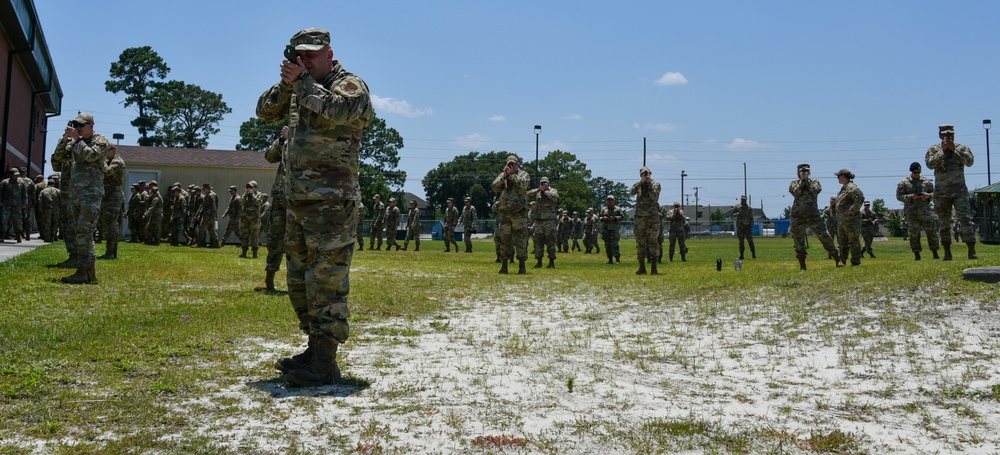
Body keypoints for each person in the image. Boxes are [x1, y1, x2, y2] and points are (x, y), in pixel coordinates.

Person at [257, 27, 374, 386]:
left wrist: (303, 83)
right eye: (298, 55)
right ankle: (313, 348)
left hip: (332, 205)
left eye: (311, 54)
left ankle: (326, 360)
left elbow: (339, 112)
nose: (304, 60)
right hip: (298, 202)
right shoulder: (297, 87)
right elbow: (264, 111)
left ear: (329, 53)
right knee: (299, 281)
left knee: (326, 282)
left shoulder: (350, 85)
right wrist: (287, 85)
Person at [54, 113, 108, 284]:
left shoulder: (100, 140)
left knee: (84, 232)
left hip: (91, 194)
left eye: (81, 125)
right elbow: (59, 158)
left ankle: (83, 272)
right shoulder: (73, 141)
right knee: (81, 233)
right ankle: (88, 273)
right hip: (75, 194)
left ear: (91, 125)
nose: (78, 128)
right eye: (76, 125)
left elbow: (91, 155)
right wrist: (64, 140)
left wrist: (76, 139)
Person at [925, 124, 977, 260]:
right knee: (944, 223)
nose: (948, 137)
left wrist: (955, 150)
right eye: (945, 135)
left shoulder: (962, 148)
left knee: (966, 219)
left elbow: (970, 162)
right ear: (940, 135)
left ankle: (971, 250)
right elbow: (930, 164)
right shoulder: (933, 149)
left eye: (951, 134)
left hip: (959, 191)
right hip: (942, 193)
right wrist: (942, 151)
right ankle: (947, 252)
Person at [788, 164, 843, 270]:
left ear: (809, 172)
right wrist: (802, 182)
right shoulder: (794, 183)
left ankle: (837, 259)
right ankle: (802, 266)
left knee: (824, 236)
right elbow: (796, 193)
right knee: (798, 240)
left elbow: (815, 191)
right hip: (797, 216)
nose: (804, 173)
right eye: (802, 171)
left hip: (813, 215)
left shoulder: (814, 182)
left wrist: (806, 181)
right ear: (798, 173)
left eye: (806, 171)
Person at [257, 127, 289, 292]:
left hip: (301, 199)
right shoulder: (286, 139)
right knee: (275, 238)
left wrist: (291, 140)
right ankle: (269, 281)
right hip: (281, 197)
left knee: (300, 242)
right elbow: (269, 157)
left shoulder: (313, 135)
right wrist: (282, 140)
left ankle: (301, 285)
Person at [491, 155, 529, 274]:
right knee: (505, 240)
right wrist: (504, 176)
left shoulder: (523, 174)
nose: (511, 166)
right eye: (509, 164)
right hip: (505, 213)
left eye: (513, 164)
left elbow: (523, 184)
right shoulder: (504, 175)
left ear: (518, 164)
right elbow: (494, 187)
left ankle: (522, 266)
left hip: (518, 213)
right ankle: (504, 266)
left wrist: (512, 175)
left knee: (520, 240)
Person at [897, 162, 940, 260]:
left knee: (932, 233)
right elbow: (899, 196)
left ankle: (935, 253)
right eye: (915, 172)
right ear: (911, 171)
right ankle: (917, 254)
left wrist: (929, 196)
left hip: (925, 212)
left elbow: (935, 194)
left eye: (919, 172)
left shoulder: (926, 182)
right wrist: (911, 197)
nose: (917, 174)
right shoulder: (904, 183)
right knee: (914, 234)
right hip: (912, 213)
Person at [630, 166, 661, 274]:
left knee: (653, 242)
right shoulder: (638, 185)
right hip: (640, 219)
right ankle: (642, 267)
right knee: (640, 243)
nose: (646, 175)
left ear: (651, 173)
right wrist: (641, 182)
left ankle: (654, 268)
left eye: (647, 173)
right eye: (643, 174)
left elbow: (655, 197)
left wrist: (648, 184)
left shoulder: (655, 184)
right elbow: (632, 192)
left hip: (652, 218)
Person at [98, 144, 126, 259]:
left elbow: (108, 172)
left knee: (111, 225)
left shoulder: (117, 161)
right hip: (109, 196)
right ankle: (112, 253)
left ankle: (110, 253)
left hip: (113, 197)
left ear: (113, 150)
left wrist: (102, 161)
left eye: (106, 151)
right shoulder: (112, 161)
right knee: (111, 225)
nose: (104, 154)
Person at [527, 176, 560, 268]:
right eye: (542, 183)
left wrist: (545, 191)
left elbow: (556, 199)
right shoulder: (538, 192)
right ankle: (539, 261)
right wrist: (538, 189)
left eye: (545, 183)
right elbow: (527, 194)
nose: (543, 184)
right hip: (538, 221)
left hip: (549, 220)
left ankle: (551, 262)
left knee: (550, 241)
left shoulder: (553, 191)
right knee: (538, 241)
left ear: (549, 184)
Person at [834, 169, 865, 266]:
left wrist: (851, 210)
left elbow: (860, 198)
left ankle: (856, 261)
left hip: (851, 220)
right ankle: (842, 261)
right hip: (842, 220)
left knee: (853, 241)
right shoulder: (844, 188)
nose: (837, 178)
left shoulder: (852, 187)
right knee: (842, 242)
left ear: (843, 176)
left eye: (838, 176)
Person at [0, 168, 27, 243]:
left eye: (18, 175)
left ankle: (18, 236)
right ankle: (2, 235)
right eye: (15, 175)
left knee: (18, 220)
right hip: (6, 204)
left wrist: (24, 203)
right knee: (4, 220)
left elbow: (24, 194)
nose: (16, 176)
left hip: (17, 205)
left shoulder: (21, 183)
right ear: (10, 175)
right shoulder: (4, 182)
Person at [239, 181, 262, 258]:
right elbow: (241, 203)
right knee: (244, 235)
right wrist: (246, 194)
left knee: (254, 235)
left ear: (255, 188)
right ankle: (244, 252)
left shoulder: (259, 194)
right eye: (248, 187)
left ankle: (254, 253)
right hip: (245, 218)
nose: (249, 189)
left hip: (254, 219)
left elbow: (258, 203)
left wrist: (252, 194)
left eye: (251, 187)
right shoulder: (245, 195)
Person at [599, 195, 624, 264]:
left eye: (611, 200)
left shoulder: (617, 209)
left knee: (615, 244)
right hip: (606, 229)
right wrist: (603, 218)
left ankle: (617, 259)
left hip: (614, 229)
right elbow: (600, 216)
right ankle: (610, 259)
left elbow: (622, 216)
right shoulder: (603, 209)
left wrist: (615, 218)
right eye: (608, 200)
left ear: (614, 201)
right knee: (607, 245)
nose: (610, 201)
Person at [730, 195, 756, 260]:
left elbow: (751, 218)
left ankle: (753, 254)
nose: (743, 201)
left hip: (747, 227)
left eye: (745, 200)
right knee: (741, 242)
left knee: (750, 241)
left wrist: (751, 226)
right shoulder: (737, 207)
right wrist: (738, 214)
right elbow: (731, 215)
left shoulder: (749, 208)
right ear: (741, 200)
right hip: (740, 227)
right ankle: (741, 255)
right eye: (742, 200)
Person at [195, 183, 220, 248]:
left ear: (206, 188)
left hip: (207, 215)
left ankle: (199, 244)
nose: (203, 190)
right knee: (211, 230)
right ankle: (216, 243)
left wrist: (213, 216)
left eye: (203, 189)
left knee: (201, 228)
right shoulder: (212, 194)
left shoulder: (210, 195)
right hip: (210, 215)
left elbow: (213, 206)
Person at [38, 176, 60, 242]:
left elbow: (40, 200)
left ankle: (47, 237)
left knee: (47, 224)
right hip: (56, 209)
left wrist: (40, 209)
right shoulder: (58, 191)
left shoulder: (43, 191)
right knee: (55, 223)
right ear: (54, 184)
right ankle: (54, 236)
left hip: (46, 209)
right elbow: (61, 200)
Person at [143, 181, 163, 246]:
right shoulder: (154, 197)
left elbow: (152, 207)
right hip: (153, 215)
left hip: (156, 215)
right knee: (149, 227)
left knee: (156, 229)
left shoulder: (156, 199)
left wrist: (146, 214)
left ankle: (157, 241)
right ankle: (150, 240)